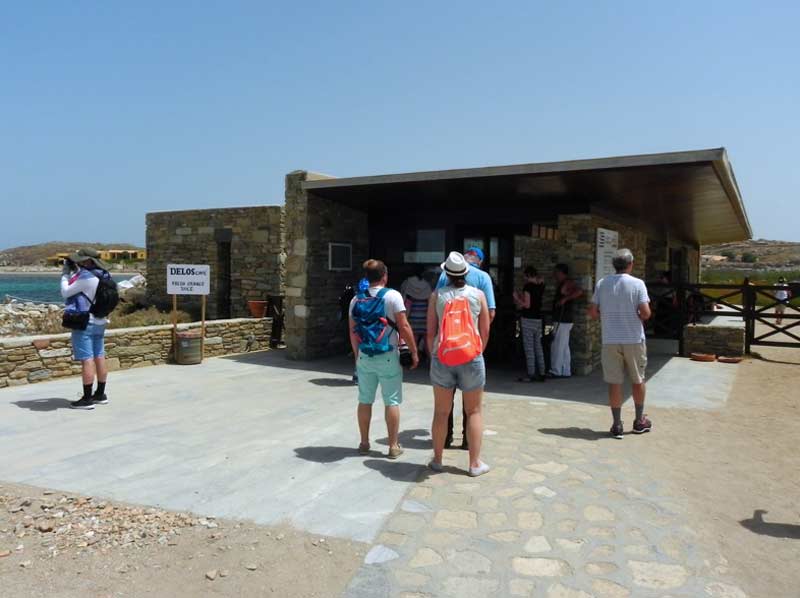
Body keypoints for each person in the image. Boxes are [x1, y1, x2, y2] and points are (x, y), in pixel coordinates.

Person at [427, 252, 491, 476]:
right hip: (471, 356)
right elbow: (485, 330)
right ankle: (474, 464)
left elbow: (430, 332)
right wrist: (477, 352)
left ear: (447, 273)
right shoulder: (478, 295)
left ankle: (437, 460)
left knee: (441, 412)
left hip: (442, 356)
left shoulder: (437, 296)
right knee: (473, 411)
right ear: (466, 272)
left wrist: (433, 353)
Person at [349, 260, 419, 459]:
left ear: (367, 277)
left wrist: (357, 356)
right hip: (388, 354)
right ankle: (393, 446)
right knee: (392, 401)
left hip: (365, 355)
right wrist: (413, 351)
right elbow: (404, 326)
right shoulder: (393, 296)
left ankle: (364, 443)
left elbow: (352, 332)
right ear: (384, 276)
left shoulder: (355, 300)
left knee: (364, 400)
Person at [589, 249, 652, 439]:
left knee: (614, 382)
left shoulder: (602, 283)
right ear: (630, 264)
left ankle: (616, 424)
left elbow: (593, 312)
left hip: (610, 339)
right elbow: (646, 312)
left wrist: (607, 317)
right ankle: (639, 420)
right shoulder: (637, 284)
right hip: (633, 338)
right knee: (637, 379)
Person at [60, 248, 115, 410]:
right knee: (99, 356)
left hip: (86, 322)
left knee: (87, 359)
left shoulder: (87, 277)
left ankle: (86, 399)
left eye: (80, 260)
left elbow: (65, 292)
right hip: (100, 320)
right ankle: (100, 394)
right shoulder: (104, 275)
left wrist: (64, 274)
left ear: (87, 261)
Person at [549, 263, 584, 378]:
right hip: (564, 318)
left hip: (562, 318)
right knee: (563, 346)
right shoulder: (564, 283)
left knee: (558, 345)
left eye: (557, 272)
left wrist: (565, 299)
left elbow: (579, 291)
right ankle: (565, 370)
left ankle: (556, 370)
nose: (555, 275)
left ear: (561, 272)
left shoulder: (567, 282)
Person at [513, 266, 546, 382]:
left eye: (524, 276)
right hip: (538, 319)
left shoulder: (528, 287)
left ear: (527, 275)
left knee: (529, 348)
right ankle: (542, 372)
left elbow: (527, 305)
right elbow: (542, 280)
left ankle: (531, 374)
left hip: (528, 319)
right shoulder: (540, 286)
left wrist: (517, 298)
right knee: (538, 346)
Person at [400, 266, 433, 360]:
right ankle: (431, 361)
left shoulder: (408, 283)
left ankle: (413, 360)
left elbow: (404, 298)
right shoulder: (427, 284)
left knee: (412, 342)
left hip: (412, 319)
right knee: (428, 343)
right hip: (424, 319)